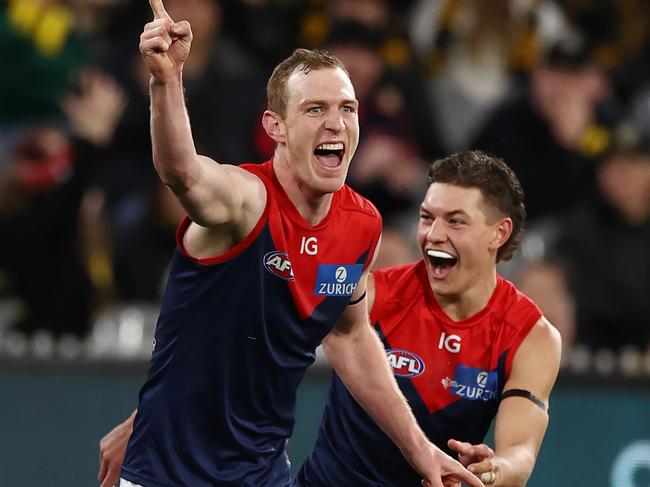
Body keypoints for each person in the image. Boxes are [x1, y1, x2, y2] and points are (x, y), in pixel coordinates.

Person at [99, 1, 483, 487]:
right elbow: (183, 172)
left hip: (261, 475)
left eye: (347, 108)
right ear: (275, 127)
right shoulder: (245, 201)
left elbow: (349, 334)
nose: (336, 123)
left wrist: (419, 449)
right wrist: (166, 81)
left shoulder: (361, 225)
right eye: (315, 108)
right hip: (166, 474)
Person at [296, 151, 562, 486]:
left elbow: (521, 451)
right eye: (426, 217)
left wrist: (490, 471)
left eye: (455, 221)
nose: (433, 234)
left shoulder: (531, 337)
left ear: (499, 233)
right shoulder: (373, 295)